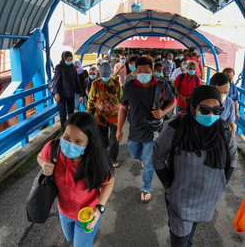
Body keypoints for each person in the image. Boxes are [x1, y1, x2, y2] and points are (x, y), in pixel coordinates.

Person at [153, 85, 237, 247]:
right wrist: (167, 184)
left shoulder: (224, 130)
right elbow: (157, 157)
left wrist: (223, 183)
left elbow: (232, 158)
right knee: (180, 238)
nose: (211, 115)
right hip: (181, 199)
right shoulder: (176, 128)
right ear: (193, 106)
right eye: (205, 110)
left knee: (191, 231)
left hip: (208, 198)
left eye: (217, 110)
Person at [37, 112, 114, 247]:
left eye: (78, 141)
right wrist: (44, 165)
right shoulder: (53, 148)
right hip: (64, 212)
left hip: (87, 214)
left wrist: (99, 208)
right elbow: (40, 156)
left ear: (89, 142)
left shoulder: (97, 161)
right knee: (70, 238)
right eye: (66, 137)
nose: (70, 144)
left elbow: (109, 182)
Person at [116, 56, 176, 202]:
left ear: (152, 70)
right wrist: (119, 129)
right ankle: (143, 158)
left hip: (154, 130)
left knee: (149, 162)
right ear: (135, 71)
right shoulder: (129, 86)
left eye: (147, 70)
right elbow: (123, 108)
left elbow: (173, 101)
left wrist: (162, 112)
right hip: (135, 129)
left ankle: (146, 187)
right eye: (140, 70)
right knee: (134, 152)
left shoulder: (162, 86)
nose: (143, 73)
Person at [87, 63, 123, 168]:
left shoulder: (116, 84)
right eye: (103, 75)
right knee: (102, 139)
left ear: (110, 73)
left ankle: (112, 158)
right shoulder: (95, 84)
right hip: (100, 116)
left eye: (107, 75)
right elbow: (91, 100)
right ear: (100, 74)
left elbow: (122, 100)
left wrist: (124, 113)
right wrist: (88, 114)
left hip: (114, 116)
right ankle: (104, 156)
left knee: (114, 139)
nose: (105, 78)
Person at [53, 51, 80, 130]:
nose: (69, 61)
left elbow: (76, 80)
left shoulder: (73, 67)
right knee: (63, 113)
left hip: (70, 93)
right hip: (61, 94)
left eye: (71, 59)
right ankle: (64, 130)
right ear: (64, 58)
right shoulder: (59, 67)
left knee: (71, 112)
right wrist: (56, 93)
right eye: (67, 59)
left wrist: (80, 93)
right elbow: (56, 80)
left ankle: (70, 128)